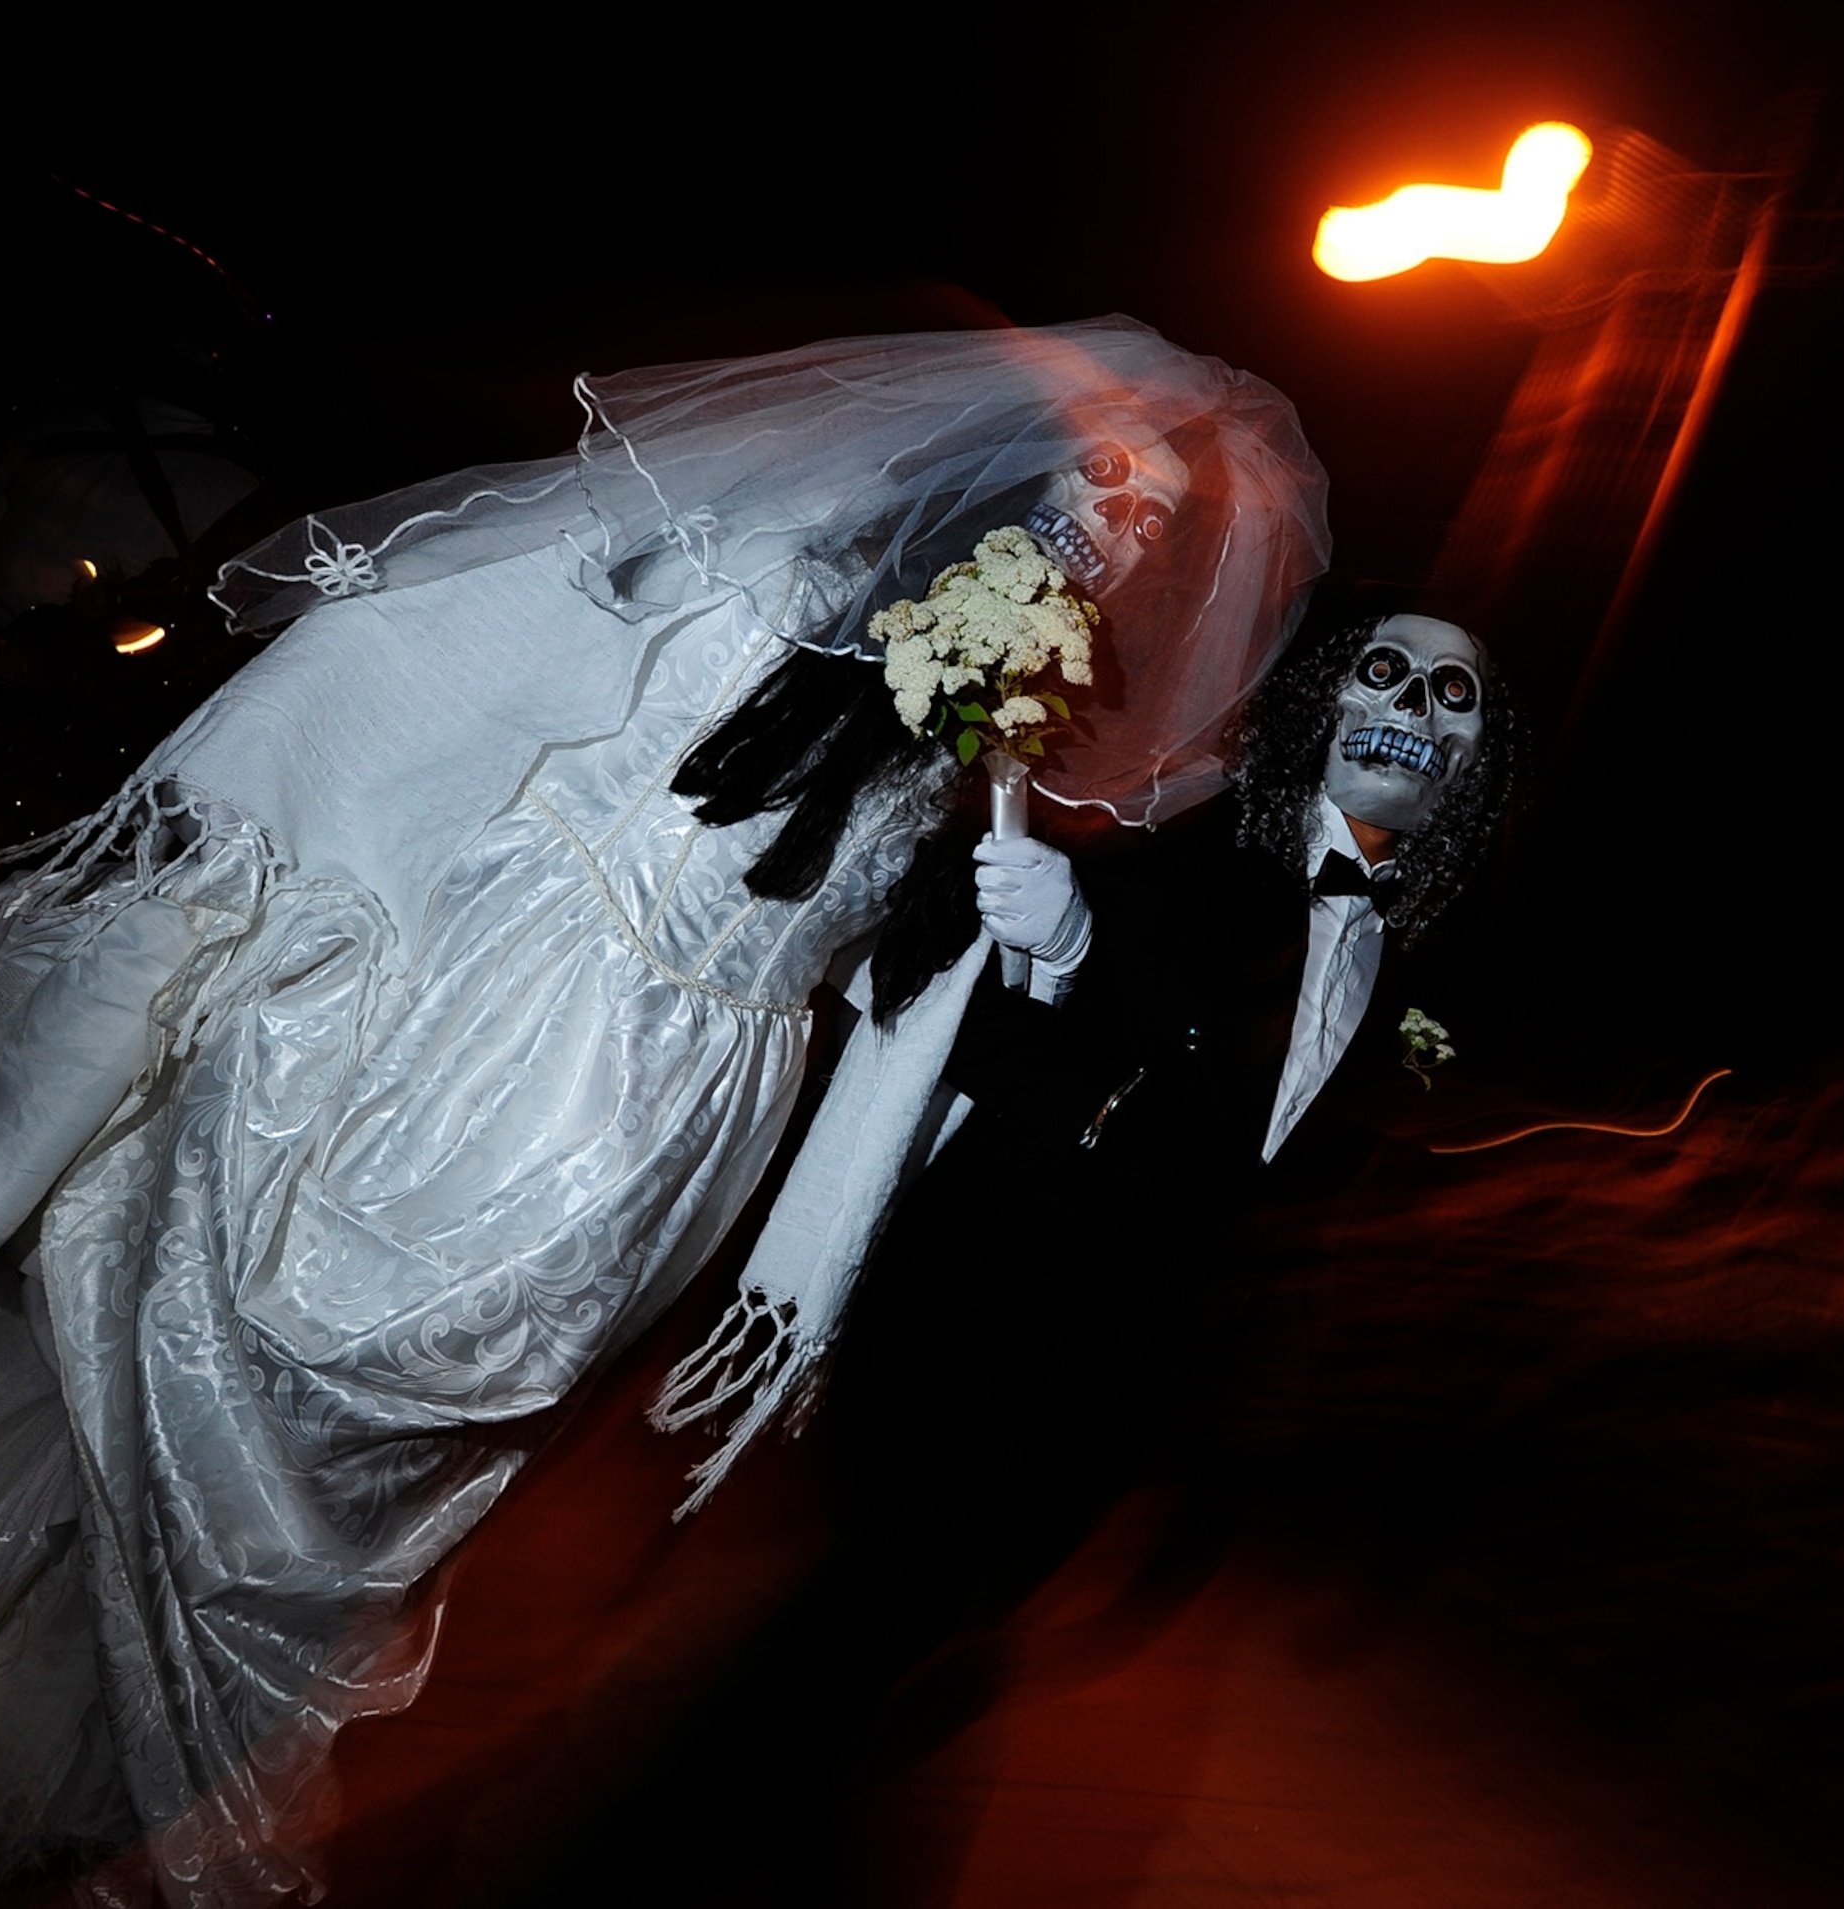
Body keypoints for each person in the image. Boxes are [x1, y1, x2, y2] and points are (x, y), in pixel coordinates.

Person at [0, 319, 1327, 1903]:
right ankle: (42, 1742)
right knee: (203, 1445)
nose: (1119, 538)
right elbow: (415, 673)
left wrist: (1034, 938)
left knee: (302, 1499)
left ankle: (77, 1745)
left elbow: (890, 983)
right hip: (456, 1085)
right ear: (978, 480)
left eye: (1149, 526)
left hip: (645, 1162)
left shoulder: (975, 725)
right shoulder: (734, 586)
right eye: (1107, 489)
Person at [625, 611, 1521, 1890]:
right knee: (855, 1635)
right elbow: (969, 1019)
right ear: (1324, 697)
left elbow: (1286, 1181)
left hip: (1117, 1380)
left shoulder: (1423, 962)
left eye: (1454, 692)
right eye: (1387, 670)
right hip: (983, 1305)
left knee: (897, 1643)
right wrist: (1074, 956)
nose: (1417, 706)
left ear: (1478, 756)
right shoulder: (1193, 838)